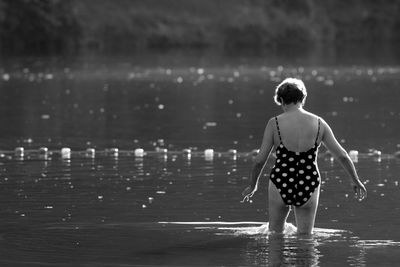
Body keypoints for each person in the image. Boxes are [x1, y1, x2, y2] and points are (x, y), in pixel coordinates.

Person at [241, 77, 367, 235]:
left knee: (274, 234)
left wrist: (253, 185)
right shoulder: (319, 123)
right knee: (305, 237)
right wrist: (355, 180)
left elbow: (259, 161)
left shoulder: (274, 124)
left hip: (281, 180)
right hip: (309, 181)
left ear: (280, 100)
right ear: (303, 98)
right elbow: (342, 155)